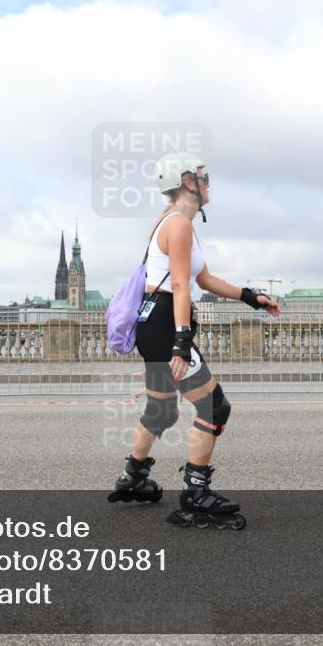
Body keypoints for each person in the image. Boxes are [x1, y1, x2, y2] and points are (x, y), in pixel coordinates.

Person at [108, 153, 281, 530]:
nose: (209, 182)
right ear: (188, 182)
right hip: (167, 324)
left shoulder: (174, 222)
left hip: (152, 324)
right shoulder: (179, 225)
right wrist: (182, 342)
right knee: (214, 408)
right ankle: (195, 494)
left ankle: (133, 477)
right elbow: (182, 286)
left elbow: (204, 279)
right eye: (205, 176)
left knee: (161, 412)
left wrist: (250, 297)